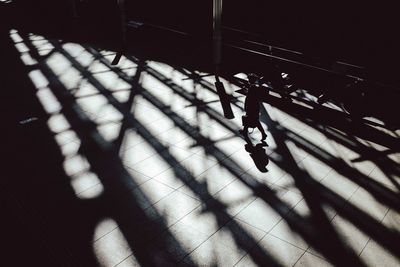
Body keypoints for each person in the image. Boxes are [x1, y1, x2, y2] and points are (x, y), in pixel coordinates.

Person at [240, 73, 267, 140]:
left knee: (255, 120)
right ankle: (245, 130)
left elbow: (250, 96)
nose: (248, 80)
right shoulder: (253, 86)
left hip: (252, 106)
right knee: (249, 118)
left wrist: (246, 90)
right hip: (253, 105)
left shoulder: (253, 87)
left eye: (249, 79)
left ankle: (263, 133)